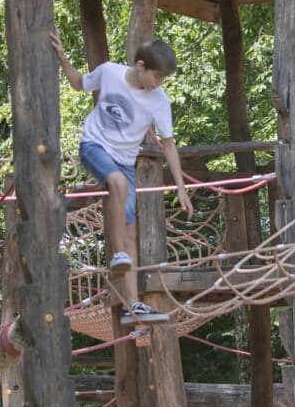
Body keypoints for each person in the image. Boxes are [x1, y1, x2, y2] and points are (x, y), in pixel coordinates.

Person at [50, 29, 194, 323]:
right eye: (157, 76)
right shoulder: (110, 73)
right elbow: (79, 84)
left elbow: (168, 143)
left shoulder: (159, 100)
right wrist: (62, 56)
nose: (160, 83)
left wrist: (180, 188)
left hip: (125, 161)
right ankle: (117, 255)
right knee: (115, 184)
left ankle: (133, 307)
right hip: (93, 146)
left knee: (131, 230)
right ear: (140, 66)